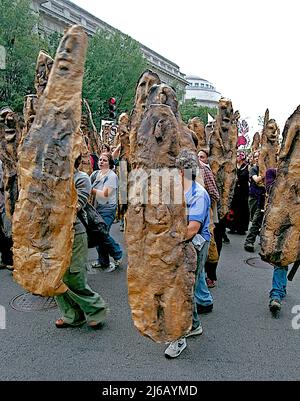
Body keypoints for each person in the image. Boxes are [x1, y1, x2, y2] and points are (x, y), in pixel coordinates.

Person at [164, 150, 211, 358]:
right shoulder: (180, 191)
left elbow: (192, 228)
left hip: (194, 245)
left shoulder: (198, 194)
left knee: (182, 291)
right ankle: (195, 325)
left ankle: (179, 339)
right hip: (182, 244)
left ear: (183, 171)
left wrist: (168, 240)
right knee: (186, 288)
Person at [55, 156, 108, 328]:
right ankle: (71, 314)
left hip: (75, 233)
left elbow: (75, 207)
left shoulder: (82, 178)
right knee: (55, 277)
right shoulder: (53, 178)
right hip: (55, 234)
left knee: (74, 276)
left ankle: (96, 309)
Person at [90, 153, 123, 272]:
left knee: (102, 233)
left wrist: (90, 190)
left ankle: (117, 252)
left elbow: (105, 194)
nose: (101, 162)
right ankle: (103, 261)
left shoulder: (112, 176)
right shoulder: (96, 174)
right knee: (98, 235)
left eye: (104, 160)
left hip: (108, 209)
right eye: (100, 160)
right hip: (97, 208)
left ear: (109, 163)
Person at [264, 168, 289, 314]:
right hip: (282, 224)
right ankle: (276, 295)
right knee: (281, 260)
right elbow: (271, 191)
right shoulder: (273, 173)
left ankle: (281, 289)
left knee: (285, 261)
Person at [244, 151, 265, 252]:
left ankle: (249, 241)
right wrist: (266, 174)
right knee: (254, 219)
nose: (257, 158)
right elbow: (256, 180)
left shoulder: (265, 168)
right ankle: (258, 235)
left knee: (257, 220)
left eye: (259, 156)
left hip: (263, 198)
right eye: (256, 157)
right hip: (254, 197)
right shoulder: (254, 169)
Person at [227, 151, 249, 235]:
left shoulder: (246, 167)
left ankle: (241, 228)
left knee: (242, 210)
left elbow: (244, 177)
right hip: (235, 192)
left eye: (237, 156)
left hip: (243, 192)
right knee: (233, 209)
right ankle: (232, 227)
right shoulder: (233, 166)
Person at [0, 160, 13, 271]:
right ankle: (7, 259)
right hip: (4, 202)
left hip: (4, 203)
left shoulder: (1, 164)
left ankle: (10, 259)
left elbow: (2, 184)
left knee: (8, 233)